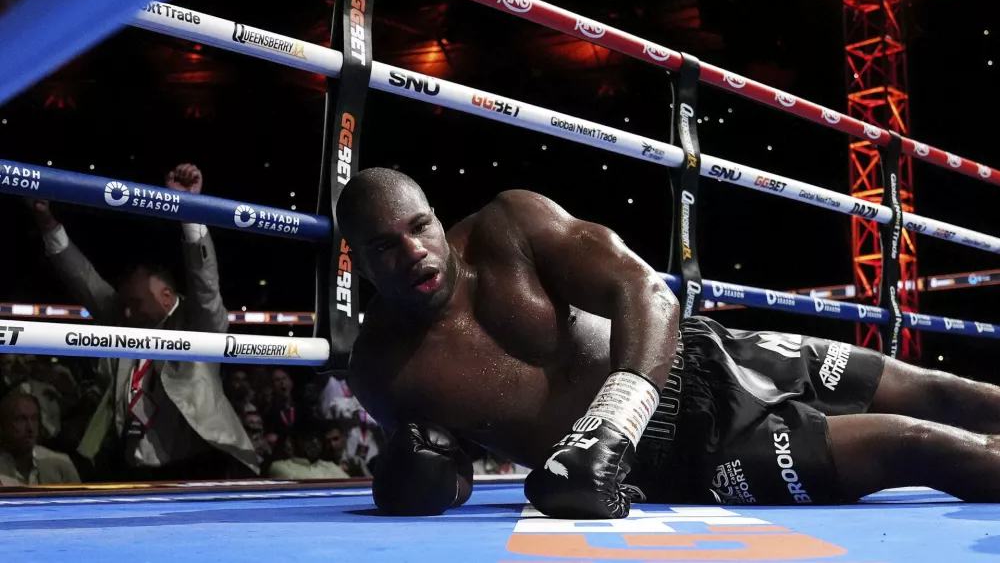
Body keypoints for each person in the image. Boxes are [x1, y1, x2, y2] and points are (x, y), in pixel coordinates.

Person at [337, 167, 1000, 519]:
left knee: (941, 391)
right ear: (359, 266)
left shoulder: (510, 227)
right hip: (682, 464)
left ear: (433, 212)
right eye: (384, 247)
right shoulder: (383, 368)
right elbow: (447, 466)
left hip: (707, 358)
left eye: (419, 226)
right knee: (919, 446)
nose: (414, 251)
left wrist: (610, 425)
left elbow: (647, 292)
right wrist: (417, 485)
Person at [28, 163, 257, 480]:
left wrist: (189, 211)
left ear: (166, 296)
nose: (125, 313)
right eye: (124, 305)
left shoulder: (198, 322)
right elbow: (86, 282)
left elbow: (205, 285)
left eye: (135, 304)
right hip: (131, 465)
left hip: (198, 464)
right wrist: (46, 221)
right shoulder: (127, 321)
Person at [0, 389, 80, 486]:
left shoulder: (60, 463)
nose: (30, 427)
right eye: (21, 419)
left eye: (34, 419)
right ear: (3, 424)